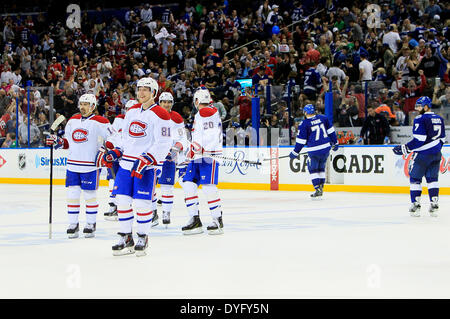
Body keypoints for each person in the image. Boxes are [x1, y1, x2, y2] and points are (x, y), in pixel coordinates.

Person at [102, 77, 172, 257]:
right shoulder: (132, 112)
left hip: (145, 167)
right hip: (126, 165)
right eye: (139, 89)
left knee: (142, 203)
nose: (141, 92)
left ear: (153, 93)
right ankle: (126, 237)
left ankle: (143, 236)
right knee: (122, 201)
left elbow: (164, 142)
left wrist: (148, 158)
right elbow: (126, 138)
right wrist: (117, 151)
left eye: (146, 90)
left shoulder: (161, 114)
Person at [45, 94, 114, 239]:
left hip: (90, 166)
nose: (82, 107)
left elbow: (113, 139)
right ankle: (73, 224)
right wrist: (58, 141)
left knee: (89, 195)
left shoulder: (100, 121)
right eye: (81, 103)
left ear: (93, 106)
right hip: (72, 165)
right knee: (72, 195)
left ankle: (90, 223)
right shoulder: (72, 120)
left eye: (86, 104)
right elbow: (68, 142)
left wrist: (104, 151)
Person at [393, 96, 446, 217]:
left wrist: (404, 149)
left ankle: (416, 205)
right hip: (436, 154)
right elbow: (442, 139)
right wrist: (435, 149)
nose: (417, 109)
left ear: (426, 106)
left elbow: (419, 140)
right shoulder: (439, 118)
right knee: (432, 179)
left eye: (419, 106)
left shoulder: (420, 119)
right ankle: (434, 203)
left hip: (422, 155)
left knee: (415, 179)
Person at [181, 88, 224, 235]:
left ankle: (217, 220)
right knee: (188, 184)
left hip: (208, 156)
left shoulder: (206, 112)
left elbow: (212, 135)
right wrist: (194, 148)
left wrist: (198, 147)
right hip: (198, 156)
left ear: (197, 101)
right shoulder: (205, 113)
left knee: (208, 187)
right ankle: (195, 220)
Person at [289, 104, 338, 199]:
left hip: (314, 150)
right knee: (321, 167)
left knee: (313, 169)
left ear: (305, 112)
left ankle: (317, 188)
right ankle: (321, 186)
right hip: (325, 149)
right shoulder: (323, 118)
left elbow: (301, 141)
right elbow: (331, 131)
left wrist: (295, 152)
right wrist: (335, 143)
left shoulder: (304, 124)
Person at [156, 92, 189, 226]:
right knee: (150, 186)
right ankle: (152, 212)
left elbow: (182, 138)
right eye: (164, 102)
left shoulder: (176, 117)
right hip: (154, 155)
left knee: (166, 185)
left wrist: (176, 148)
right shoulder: (153, 115)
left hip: (169, 156)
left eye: (169, 102)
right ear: (160, 102)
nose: (166, 104)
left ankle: (166, 212)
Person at [103, 99, 139, 221]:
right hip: (118, 154)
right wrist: (109, 145)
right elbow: (113, 135)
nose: (129, 111)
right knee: (112, 180)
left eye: (132, 109)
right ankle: (114, 205)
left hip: (130, 158)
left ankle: (125, 206)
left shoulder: (141, 121)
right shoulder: (119, 120)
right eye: (128, 109)